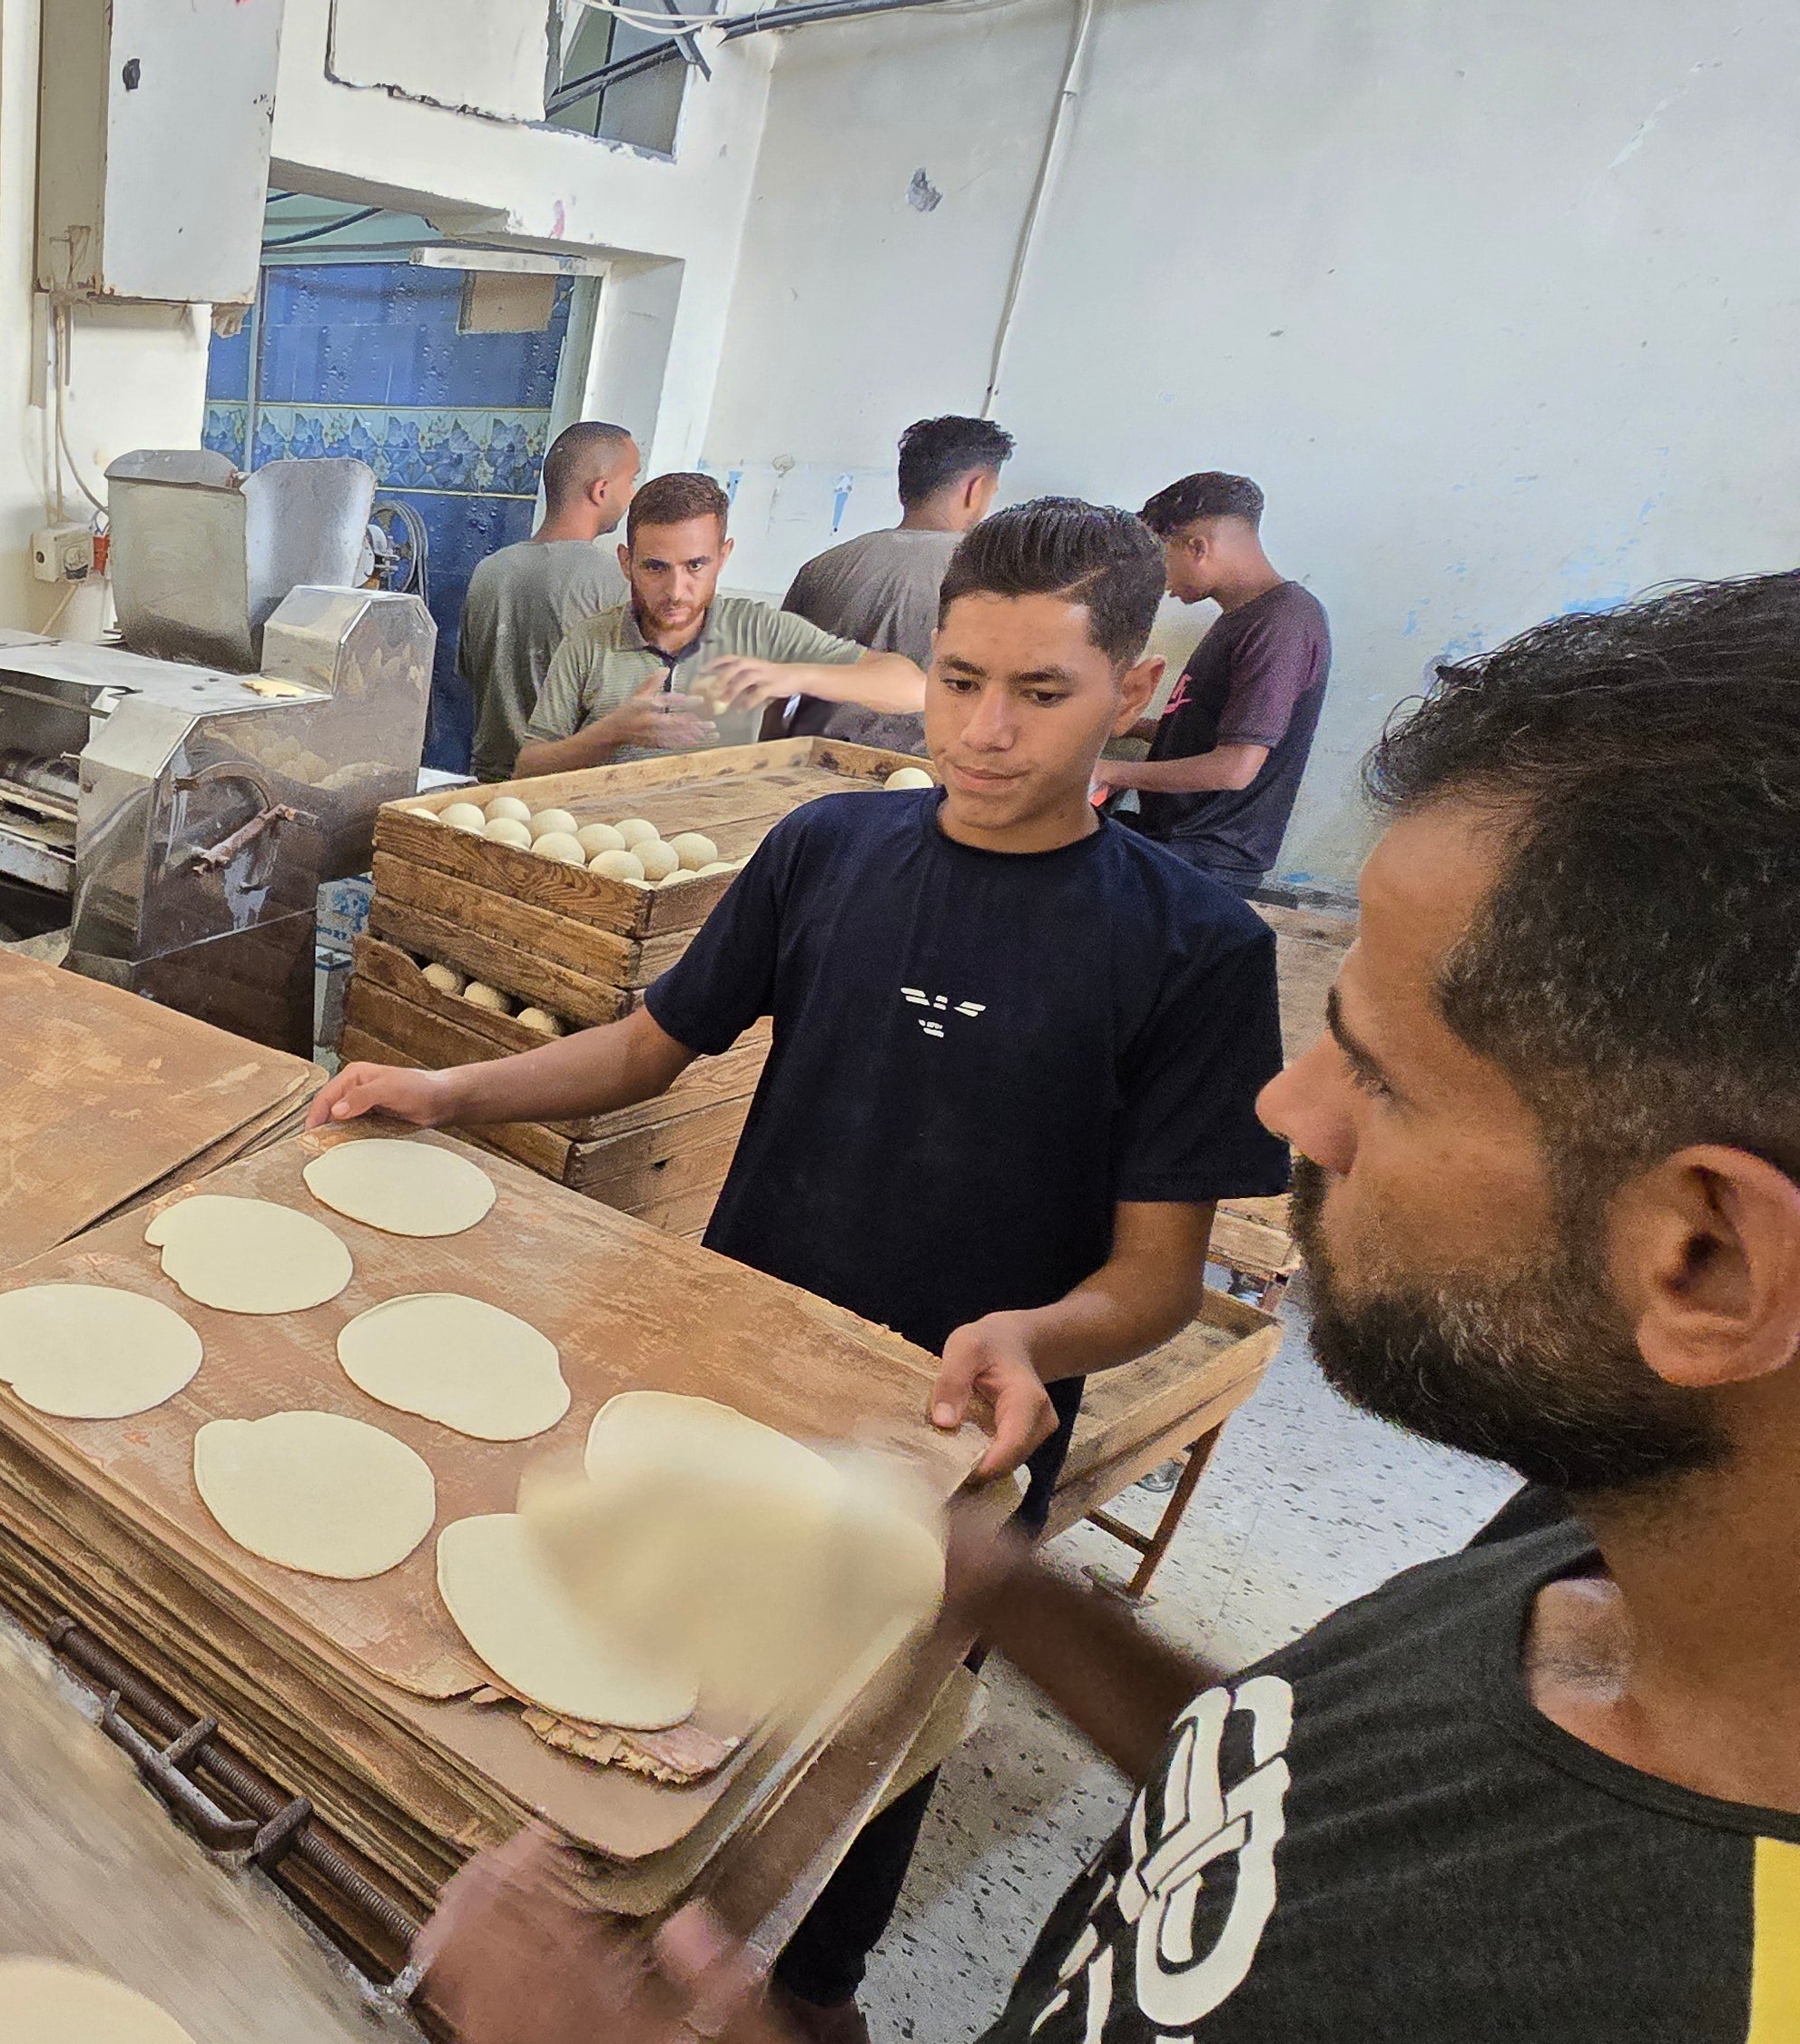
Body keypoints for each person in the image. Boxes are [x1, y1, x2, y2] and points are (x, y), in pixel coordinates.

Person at [415, 572, 1800, 2044]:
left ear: (1705, 1259)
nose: (1289, 1108)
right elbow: (1274, 1773)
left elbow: (1152, 1277)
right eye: (959, 680)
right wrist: (996, 1583)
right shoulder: (1580, 1553)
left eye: (1381, 1074)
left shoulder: (1685, 1982)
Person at [316, 499, 1292, 2037]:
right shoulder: (830, 850)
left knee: (871, 1740)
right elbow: (651, 1045)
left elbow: (1157, 1276)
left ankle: (818, 1991)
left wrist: (1037, 1338)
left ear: (1136, 692)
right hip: (738, 1358)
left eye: (1041, 693)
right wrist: (447, 1089)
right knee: (661, 1684)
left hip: (961, 1428)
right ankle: (608, 1932)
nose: (984, 730)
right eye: (960, 681)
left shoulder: (1194, 947)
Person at [506, 472, 929, 779]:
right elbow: (528, 767)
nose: (676, 590)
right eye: (655, 567)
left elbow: (912, 688)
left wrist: (795, 675)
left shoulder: (760, 631)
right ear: (625, 562)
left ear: (723, 557)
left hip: (718, 842)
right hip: (606, 847)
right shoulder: (590, 641)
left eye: (695, 566)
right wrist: (613, 732)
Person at [1097, 471, 1331, 891]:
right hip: (1174, 841)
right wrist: (1128, 725)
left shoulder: (1281, 624)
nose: (1161, 583)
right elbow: (1203, 733)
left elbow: (1235, 768)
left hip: (1207, 862)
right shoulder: (1243, 618)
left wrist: (1104, 770)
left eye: (1160, 560)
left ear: (1197, 548)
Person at [774, 415, 1018, 753]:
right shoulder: (994, 577)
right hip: (919, 771)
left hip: (806, 760)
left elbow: (776, 687)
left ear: (904, 489)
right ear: (974, 489)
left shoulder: (822, 567)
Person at [463, 421, 644, 782]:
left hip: (485, 789)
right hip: (561, 792)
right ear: (601, 490)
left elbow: (471, 675)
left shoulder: (488, 571)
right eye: (631, 481)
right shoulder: (615, 581)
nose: (633, 494)